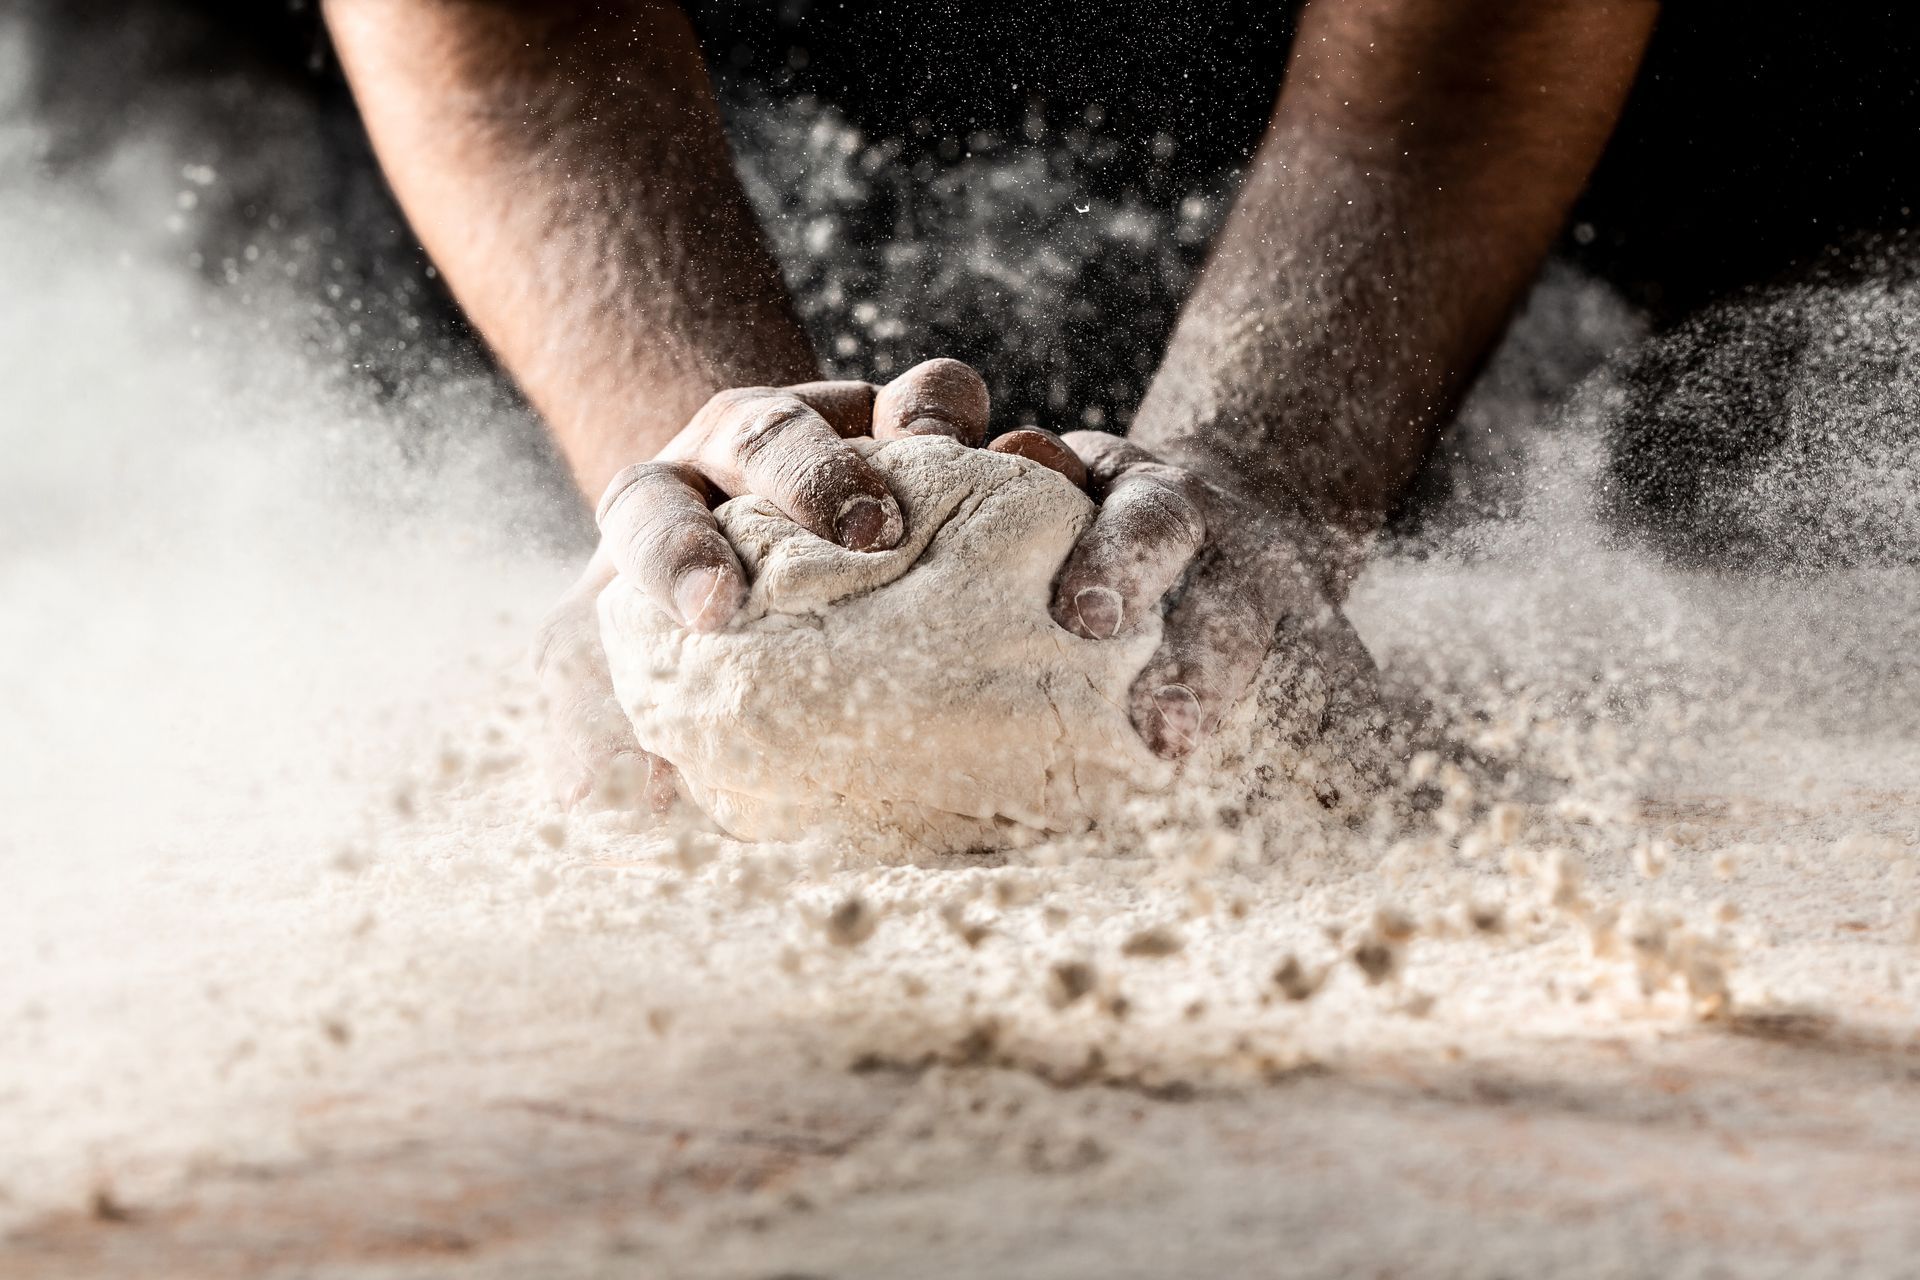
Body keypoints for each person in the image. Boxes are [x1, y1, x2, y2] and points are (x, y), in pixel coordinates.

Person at [311, 0, 1908, 808]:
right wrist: (707, 487)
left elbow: (1460, 57)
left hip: (1519, 212)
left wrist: (1257, 475)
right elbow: (521, 50)